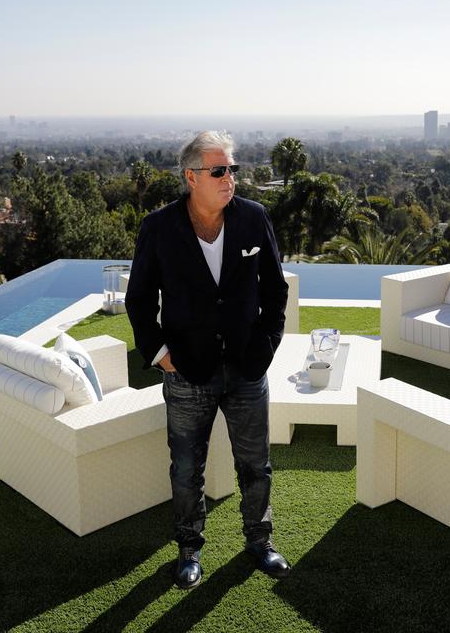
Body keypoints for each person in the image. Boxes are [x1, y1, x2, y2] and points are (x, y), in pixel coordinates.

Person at [125, 130, 291, 590]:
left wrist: (266, 346)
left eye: (232, 169)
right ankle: (189, 550)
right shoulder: (159, 228)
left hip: (246, 369)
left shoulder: (254, 219)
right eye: (219, 170)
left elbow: (276, 290)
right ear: (191, 177)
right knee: (185, 469)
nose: (229, 178)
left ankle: (260, 542)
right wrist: (160, 355)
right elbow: (139, 299)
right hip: (187, 373)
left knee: (256, 464)